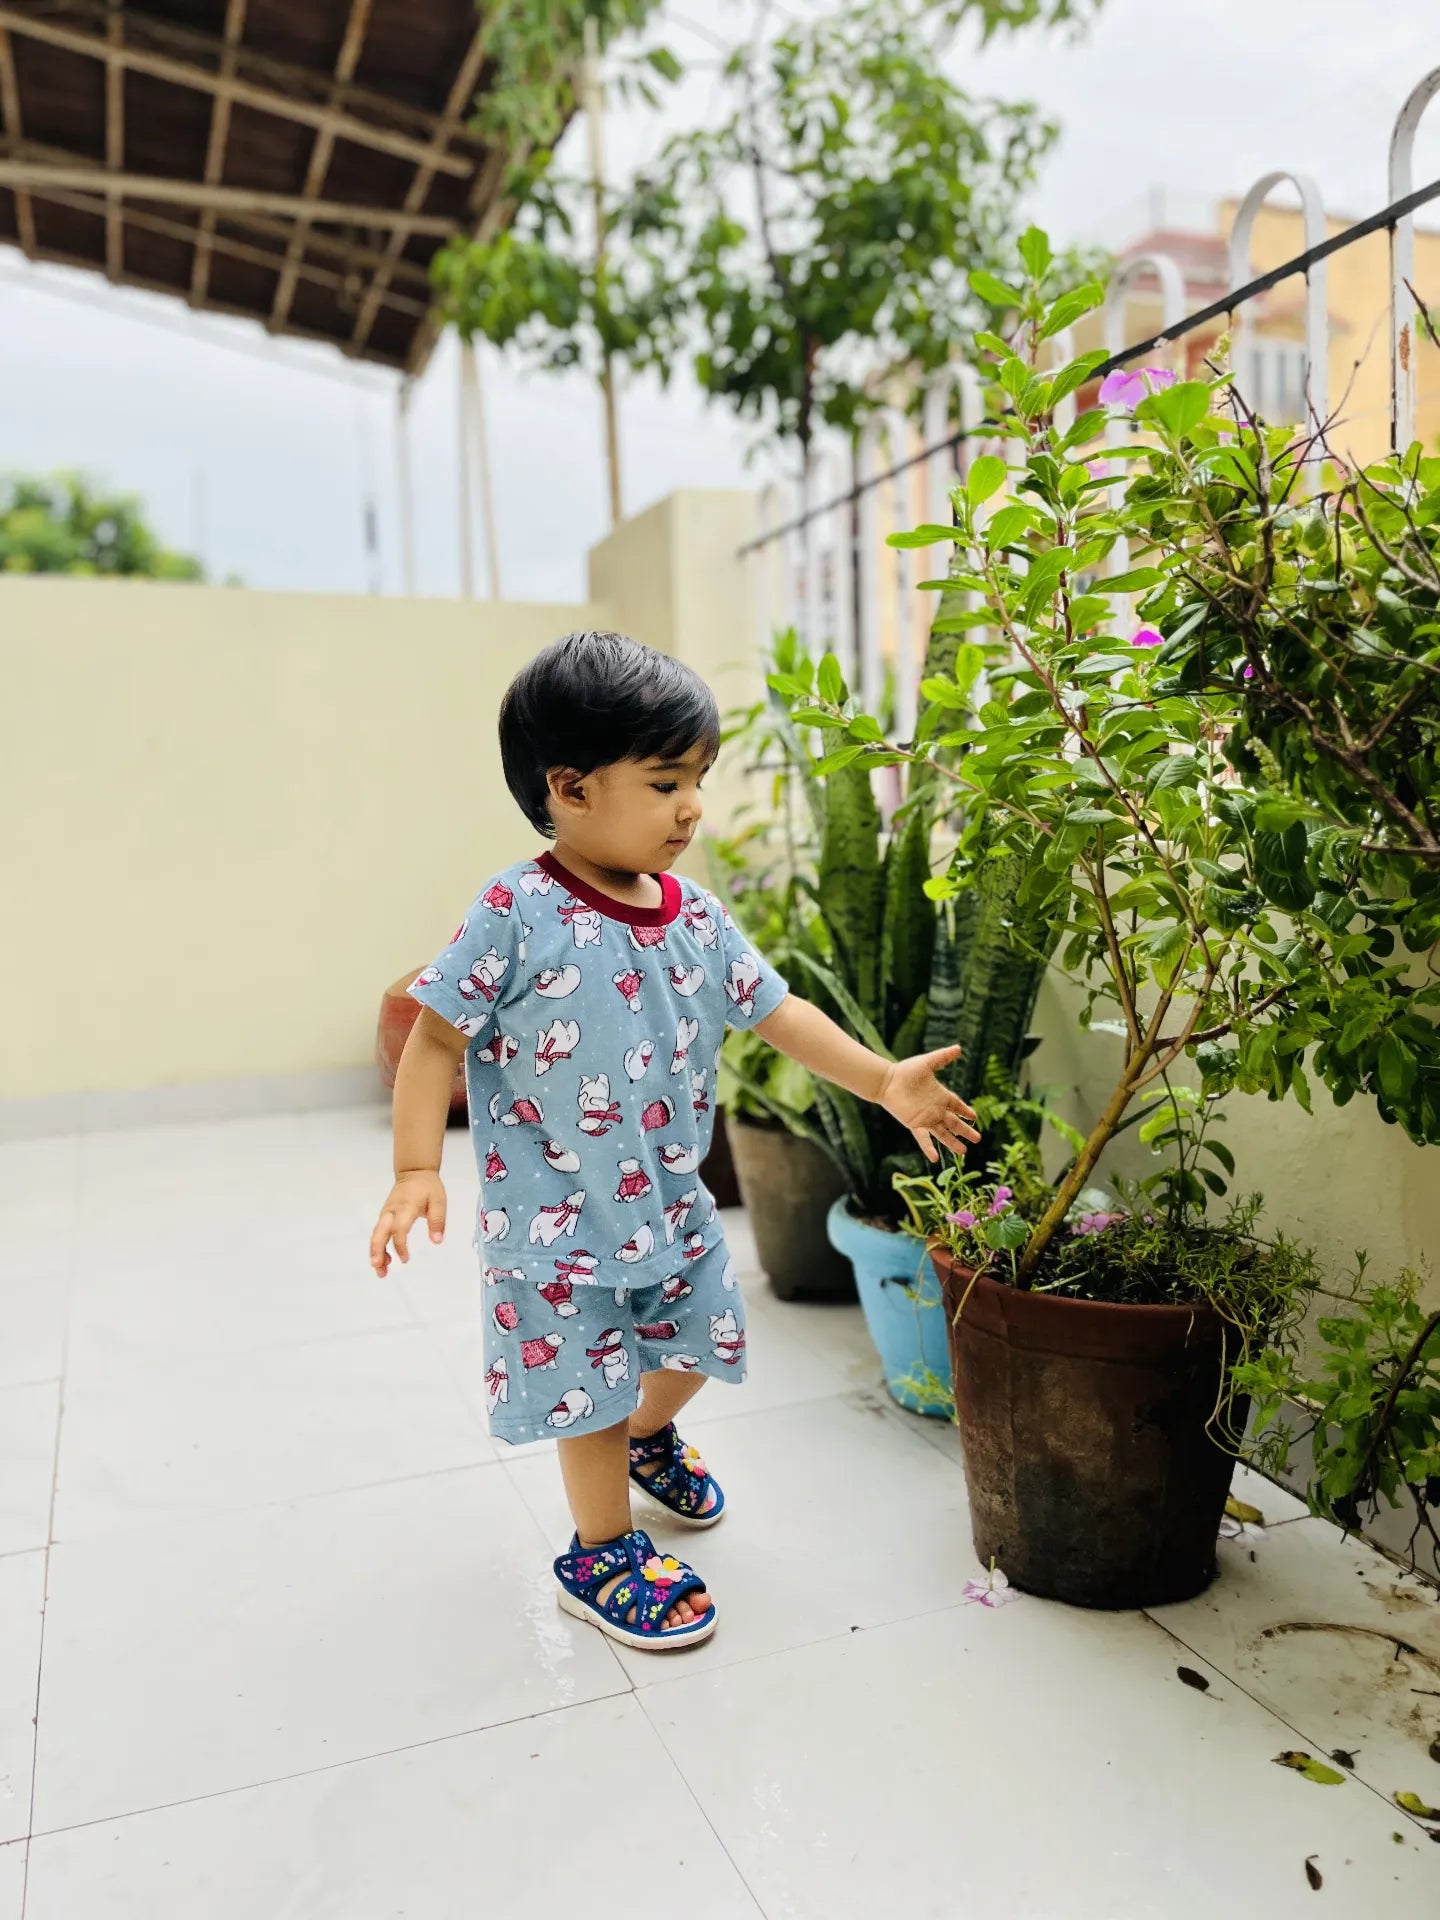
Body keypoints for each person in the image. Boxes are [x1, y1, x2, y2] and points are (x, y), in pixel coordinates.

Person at [369, 630, 979, 1651]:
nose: (692, 805)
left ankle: (652, 1437)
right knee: (592, 1390)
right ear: (569, 787)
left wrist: (881, 1081)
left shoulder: (693, 912)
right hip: (556, 1226)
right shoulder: (517, 910)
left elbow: (777, 1012)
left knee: (697, 1347)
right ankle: (599, 1551)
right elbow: (435, 1035)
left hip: (668, 1204)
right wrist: (417, 1167)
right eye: (664, 782)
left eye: (697, 777)